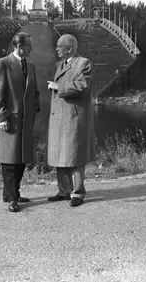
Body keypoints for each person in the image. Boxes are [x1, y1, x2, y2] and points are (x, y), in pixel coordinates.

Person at [0, 32, 40, 212]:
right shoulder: (2, 64)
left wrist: (35, 109)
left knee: (22, 159)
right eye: (28, 46)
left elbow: (34, 92)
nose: (31, 49)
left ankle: (11, 193)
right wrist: (2, 116)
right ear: (18, 46)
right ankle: (12, 198)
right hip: (10, 120)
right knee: (9, 160)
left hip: (25, 121)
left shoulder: (31, 67)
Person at [46, 34, 96, 207]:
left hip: (73, 119)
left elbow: (82, 86)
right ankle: (64, 191)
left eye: (59, 46)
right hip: (59, 118)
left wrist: (58, 86)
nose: (56, 49)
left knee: (75, 157)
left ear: (69, 49)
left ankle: (77, 193)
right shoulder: (58, 65)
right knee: (60, 156)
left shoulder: (84, 63)